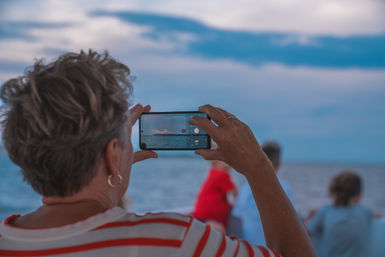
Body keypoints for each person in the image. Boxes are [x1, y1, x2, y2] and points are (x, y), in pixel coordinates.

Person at [0, 50, 315, 257]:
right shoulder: (172, 240)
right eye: (125, 138)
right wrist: (258, 167)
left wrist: (112, 175)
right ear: (112, 154)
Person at [232, 141, 297, 245]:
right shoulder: (284, 188)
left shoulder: (246, 188)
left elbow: (237, 215)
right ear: (279, 165)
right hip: (274, 251)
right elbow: (294, 221)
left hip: (251, 248)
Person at [306, 171, 375, 257]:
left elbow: (306, 232)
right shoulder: (365, 212)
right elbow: (375, 214)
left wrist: (309, 216)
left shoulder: (325, 211)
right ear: (359, 195)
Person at [193, 159, 237, 232]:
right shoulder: (221, 175)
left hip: (202, 217)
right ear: (217, 162)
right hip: (210, 218)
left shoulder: (213, 173)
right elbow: (235, 194)